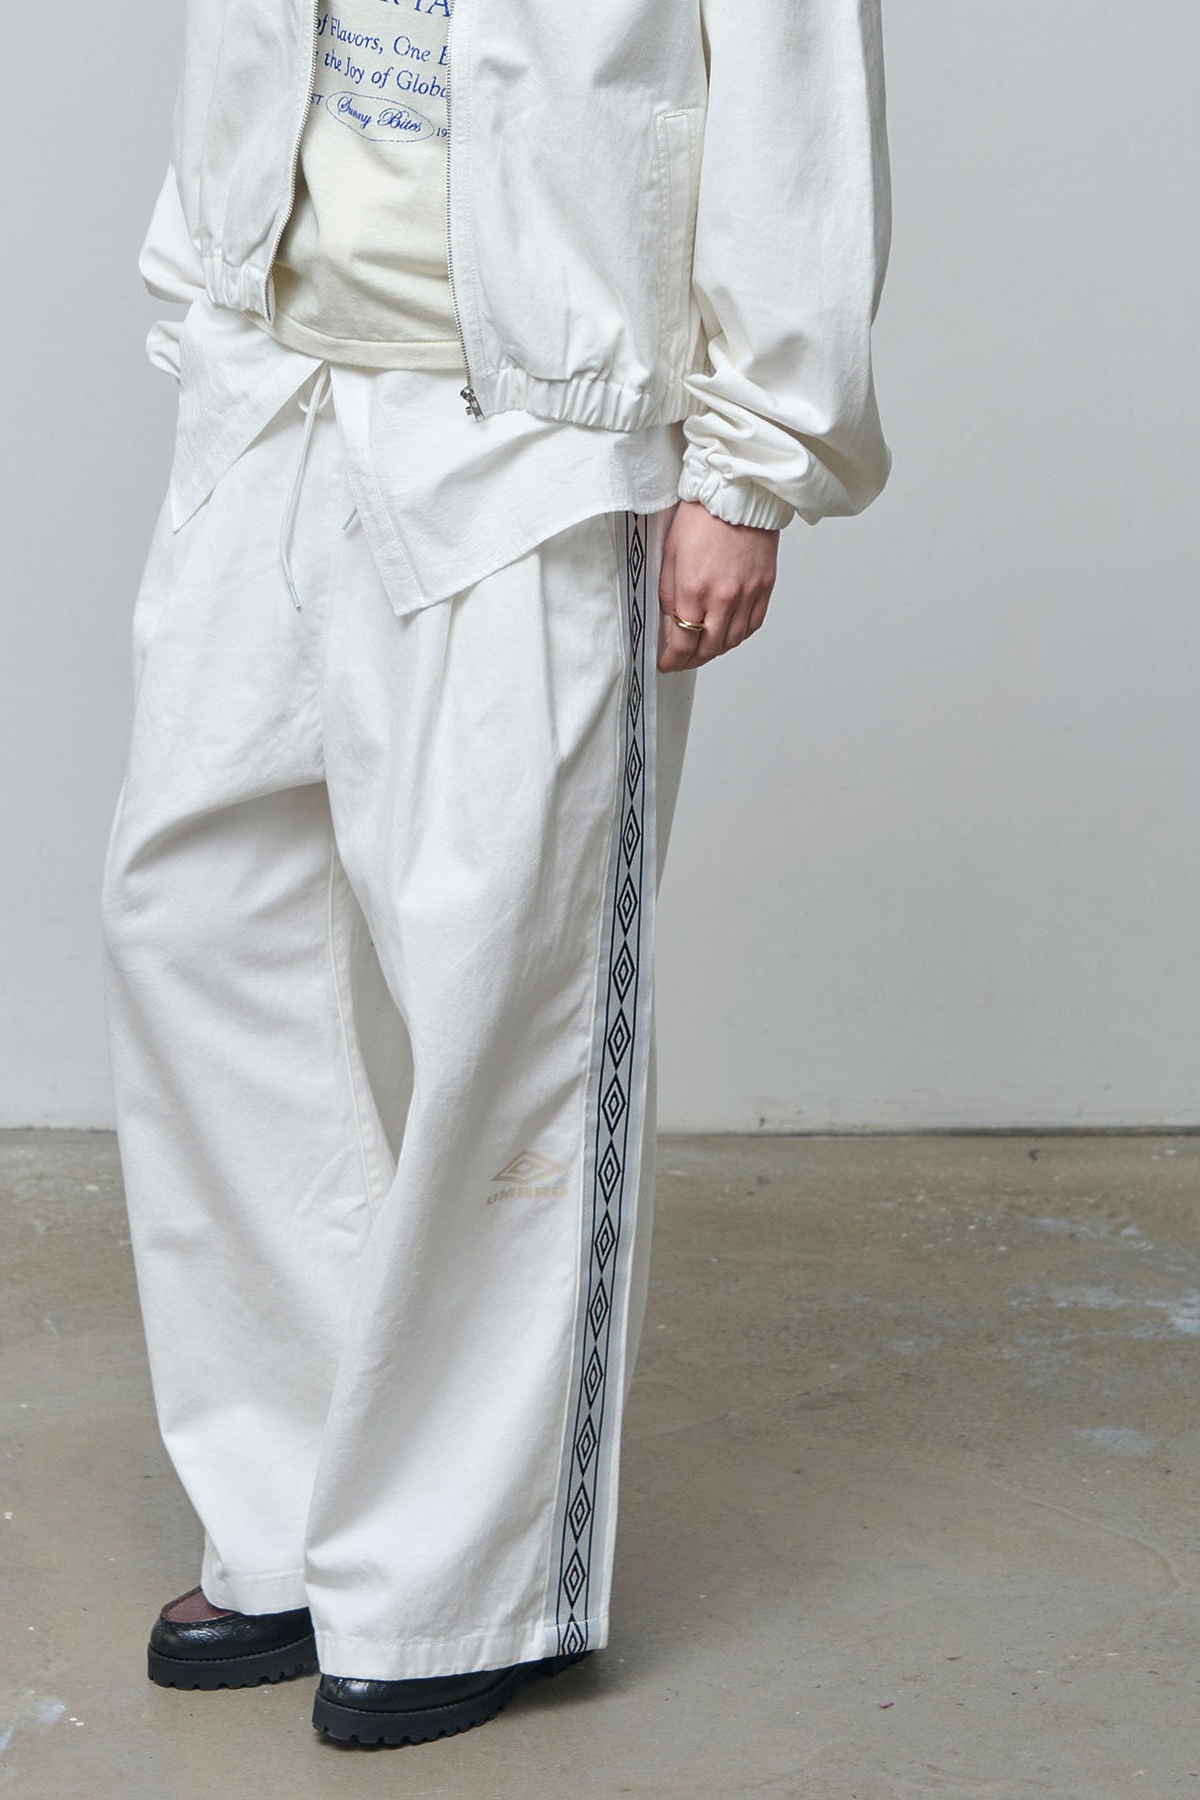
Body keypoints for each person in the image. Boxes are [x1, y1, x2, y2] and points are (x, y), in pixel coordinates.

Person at [101, 0, 891, 1748]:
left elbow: (794, 87)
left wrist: (752, 465)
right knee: (194, 925)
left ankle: (464, 1582)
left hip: (538, 423)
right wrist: (208, 275)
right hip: (280, 378)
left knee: (506, 1000)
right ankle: (297, 1511)